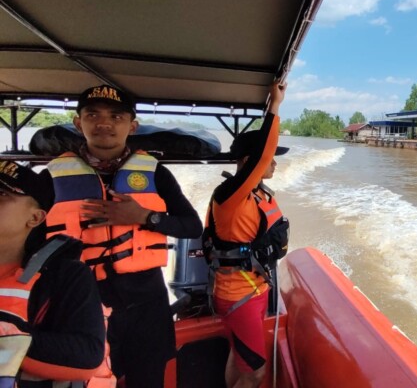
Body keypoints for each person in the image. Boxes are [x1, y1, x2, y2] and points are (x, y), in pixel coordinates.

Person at [39, 85, 204, 388]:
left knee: (148, 379)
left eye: (116, 116)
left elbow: (192, 226)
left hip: (147, 301)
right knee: (92, 381)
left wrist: (144, 217)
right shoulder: (51, 177)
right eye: (93, 115)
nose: (104, 123)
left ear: (132, 126)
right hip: (82, 301)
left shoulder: (156, 174)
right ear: (79, 123)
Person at [205, 82, 288, 388]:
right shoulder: (232, 193)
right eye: (270, 157)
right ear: (250, 161)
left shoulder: (255, 195)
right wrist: (275, 107)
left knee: (240, 358)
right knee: (256, 373)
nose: (274, 162)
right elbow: (265, 152)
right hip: (239, 294)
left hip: (251, 289)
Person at [0, 160, 107, 387]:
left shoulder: (65, 276)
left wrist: (11, 339)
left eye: (1, 194)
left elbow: (87, 356)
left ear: (35, 218)